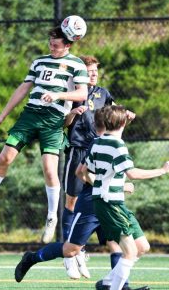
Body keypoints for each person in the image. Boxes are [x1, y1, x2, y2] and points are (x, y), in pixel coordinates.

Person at [0, 25, 88, 244]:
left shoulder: (76, 64)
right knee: (5, 158)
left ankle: (51, 217)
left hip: (53, 121)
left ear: (68, 44)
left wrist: (58, 95)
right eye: (50, 43)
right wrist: (3, 114)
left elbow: (82, 93)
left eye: (56, 45)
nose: (52, 47)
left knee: (50, 171)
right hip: (29, 116)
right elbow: (23, 88)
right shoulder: (39, 61)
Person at [14, 107, 150, 290]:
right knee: (72, 250)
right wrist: (108, 185)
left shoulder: (112, 140)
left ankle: (114, 285)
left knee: (125, 246)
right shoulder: (100, 143)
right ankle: (32, 258)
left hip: (112, 204)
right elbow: (81, 173)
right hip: (91, 204)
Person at [81, 105, 169, 290]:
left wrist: (103, 187)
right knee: (130, 253)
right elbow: (132, 173)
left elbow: (85, 172)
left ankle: (108, 282)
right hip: (111, 204)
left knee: (142, 246)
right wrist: (162, 170)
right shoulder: (117, 145)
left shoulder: (98, 142)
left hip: (110, 202)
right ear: (123, 122)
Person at [62, 55, 135, 241]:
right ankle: (71, 247)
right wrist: (72, 113)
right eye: (89, 72)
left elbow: (116, 112)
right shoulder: (73, 93)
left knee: (103, 195)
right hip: (78, 149)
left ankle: (109, 248)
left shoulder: (104, 93)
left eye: (95, 71)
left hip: (99, 150)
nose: (93, 74)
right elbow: (63, 123)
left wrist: (126, 114)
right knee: (72, 199)